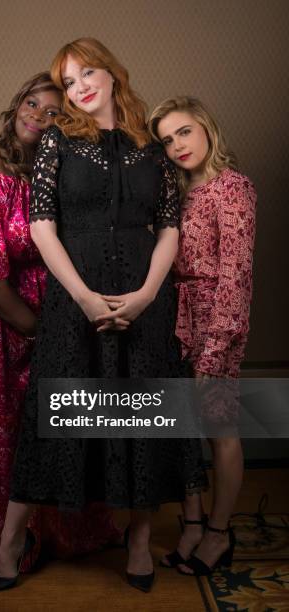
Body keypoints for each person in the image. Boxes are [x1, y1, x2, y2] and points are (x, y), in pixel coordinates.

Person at [0, 39, 207, 595]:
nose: (79, 86)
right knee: (54, 420)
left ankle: (137, 543)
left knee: (144, 423)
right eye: (69, 80)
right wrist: (83, 297)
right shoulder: (56, 143)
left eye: (87, 72)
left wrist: (147, 295)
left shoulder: (152, 150)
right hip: (72, 303)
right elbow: (42, 227)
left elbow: (168, 229)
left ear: (112, 74)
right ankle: (9, 544)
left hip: (145, 304)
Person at [0, 71, 121, 573]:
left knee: (53, 424)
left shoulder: (55, 170)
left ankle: (60, 531)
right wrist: (38, 329)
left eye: (54, 111)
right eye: (32, 104)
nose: (38, 116)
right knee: (2, 432)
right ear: (16, 106)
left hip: (46, 317)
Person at [149, 96, 256, 575]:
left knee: (218, 427)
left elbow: (236, 273)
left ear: (206, 128)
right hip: (176, 312)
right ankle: (191, 524)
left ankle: (218, 532)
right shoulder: (176, 191)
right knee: (181, 427)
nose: (177, 146)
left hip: (217, 313)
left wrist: (216, 345)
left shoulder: (232, 187)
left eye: (184, 132)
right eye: (168, 140)